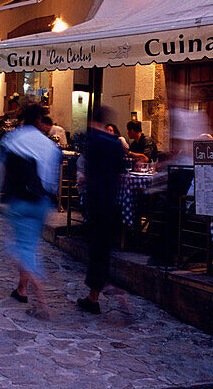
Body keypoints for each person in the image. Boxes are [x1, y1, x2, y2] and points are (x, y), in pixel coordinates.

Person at [0, 102, 60, 319]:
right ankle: (22, 289)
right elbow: (51, 178)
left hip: (19, 200)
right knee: (30, 244)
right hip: (41, 202)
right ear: (39, 120)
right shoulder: (48, 146)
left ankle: (41, 298)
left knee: (19, 247)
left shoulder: (13, 138)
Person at [76, 105, 125, 315]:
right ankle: (95, 294)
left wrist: (86, 179)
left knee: (98, 249)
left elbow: (92, 170)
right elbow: (119, 172)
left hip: (96, 201)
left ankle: (97, 296)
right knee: (102, 248)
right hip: (111, 201)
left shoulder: (92, 140)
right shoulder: (115, 144)